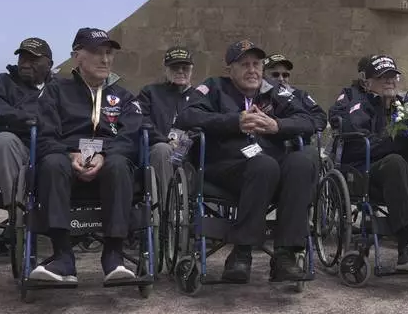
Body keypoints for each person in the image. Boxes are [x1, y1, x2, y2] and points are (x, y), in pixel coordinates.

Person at [178, 39, 317, 283]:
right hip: (226, 164)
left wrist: (278, 125)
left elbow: (310, 119)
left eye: (256, 64)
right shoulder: (214, 87)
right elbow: (188, 116)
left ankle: (286, 255)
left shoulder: (275, 91)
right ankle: (241, 253)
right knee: (264, 165)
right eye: (244, 64)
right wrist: (234, 121)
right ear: (229, 69)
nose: (252, 70)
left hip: (269, 163)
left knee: (301, 163)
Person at [30, 28, 144, 284]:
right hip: (67, 162)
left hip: (109, 161)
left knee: (118, 163)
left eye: (108, 53)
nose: (105, 60)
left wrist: (105, 155)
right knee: (51, 162)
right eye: (96, 53)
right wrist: (69, 154)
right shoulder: (55, 91)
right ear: (77, 56)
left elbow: (132, 136)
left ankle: (114, 257)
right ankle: (63, 258)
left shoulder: (124, 97)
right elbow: (45, 135)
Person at [331, 54, 408, 273]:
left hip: (405, 174)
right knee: (395, 161)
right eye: (382, 77)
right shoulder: (358, 106)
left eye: (393, 76)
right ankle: (405, 243)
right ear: (367, 82)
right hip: (369, 173)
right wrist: (395, 140)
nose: (389, 81)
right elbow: (359, 145)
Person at [0, 37, 54, 208]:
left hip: (52, 148)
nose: (25, 64)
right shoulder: (5, 82)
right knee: (3, 140)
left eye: (33, 59)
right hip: (19, 147)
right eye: (22, 58)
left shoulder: (60, 87)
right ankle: (17, 214)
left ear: (49, 64)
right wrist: (25, 118)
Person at [137, 46, 195, 206]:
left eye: (185, 67)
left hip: (190, 150)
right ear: (166, 69)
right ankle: (165, 212)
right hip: (159, 150)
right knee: (163, 150)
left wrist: (185, 143)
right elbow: (141, 120)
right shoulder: (150, 92)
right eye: (175, 67)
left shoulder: (199, 96)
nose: (181, 71)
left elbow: (204, 124)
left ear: (191, 70)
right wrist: (165, 140)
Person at [262, 53, 327, 135]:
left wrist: (302, 126)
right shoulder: (256, 95)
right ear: (263, 75)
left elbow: (320, 117)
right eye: (275, 74)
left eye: (285, 75)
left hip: (297, 143)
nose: (281, 79)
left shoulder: (299, 94)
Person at [329, 55, 372, 130]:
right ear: (363, 75)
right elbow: (335, 114)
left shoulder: (388, 95)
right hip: (358, 135)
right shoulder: (350, 92)